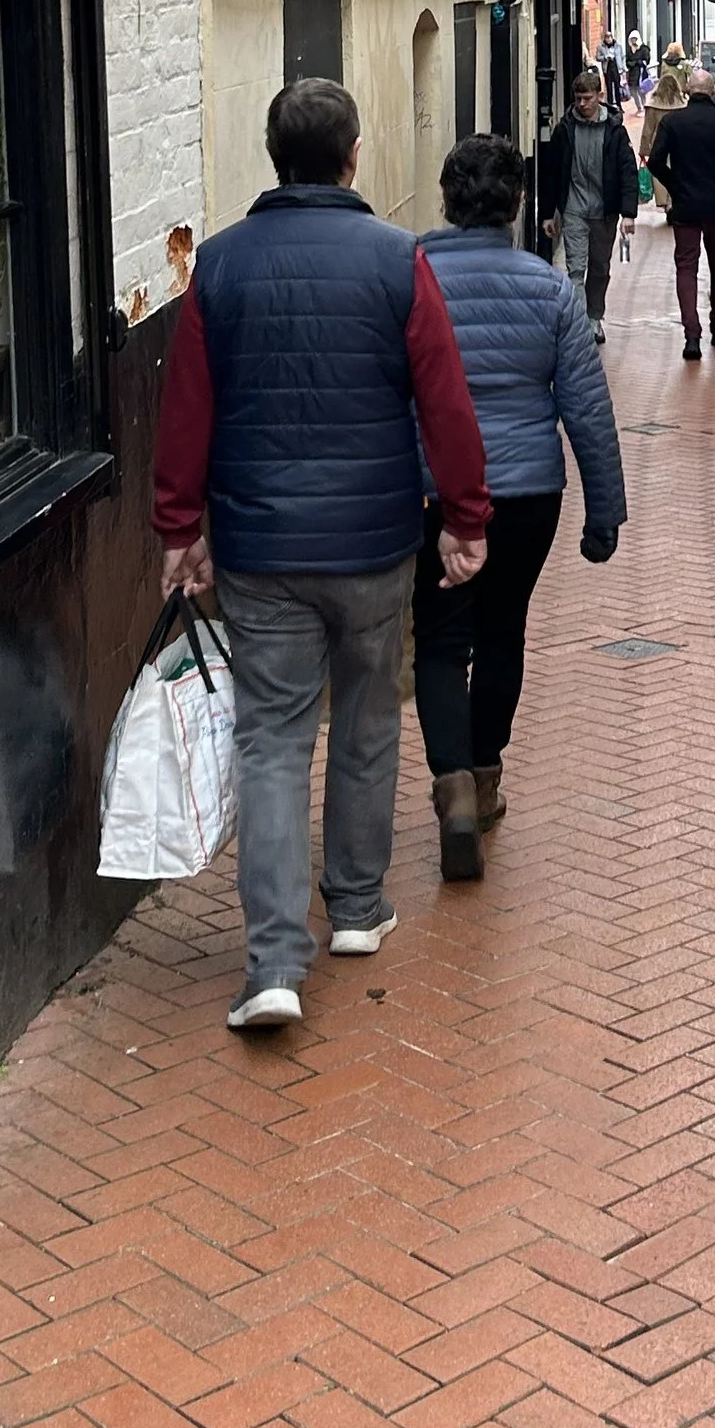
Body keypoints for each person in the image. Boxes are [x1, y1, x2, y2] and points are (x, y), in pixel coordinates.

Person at [154, 76, 490, 1032]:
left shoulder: (216, 268)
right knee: (370, 717)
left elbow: (186, 413)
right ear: (352, 156)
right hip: (376, 541)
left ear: (274, 157)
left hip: (258, 545)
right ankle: (354, 906)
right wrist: (465, 516)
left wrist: (181, 531)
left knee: (271, 739)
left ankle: (271, 962)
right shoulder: (397, 260)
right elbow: (445, 400)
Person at [415, 134, 626, 881]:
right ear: (514, 206)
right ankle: (485, 771)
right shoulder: (550, 291)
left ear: (446, 199)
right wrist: (606, 510)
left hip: (433, 490)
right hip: (529, 494)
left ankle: (453, 791)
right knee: (503, 629)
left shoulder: (410, 276)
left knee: (440, 638)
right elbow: (587, 410)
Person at [652, 65, 715, 359]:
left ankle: (692, 336)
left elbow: (656, 161)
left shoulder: (673, 123)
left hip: (685, 206)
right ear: (714, 92)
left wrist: (675, 184)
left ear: (686, 91)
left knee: (686, 267)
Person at [537, 66, 641, 339]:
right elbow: (550, 171)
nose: (582, 104)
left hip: (604, 211)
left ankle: (595, 316)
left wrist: (628, 213)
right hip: (574, 208)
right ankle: (581, 326)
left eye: (588, 98)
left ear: (600, 95)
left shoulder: (615, 130)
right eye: (578, 98)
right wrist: (548, 213)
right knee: (575, 268)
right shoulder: (565, 129)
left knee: (600, 268)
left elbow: (627, 171)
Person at [639, 49, 689, 172]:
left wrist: (643, 151)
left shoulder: (653, 105)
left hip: (658, 148)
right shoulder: (683, 105)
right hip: (680, 148)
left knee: (660, 182)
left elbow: (647, 131)